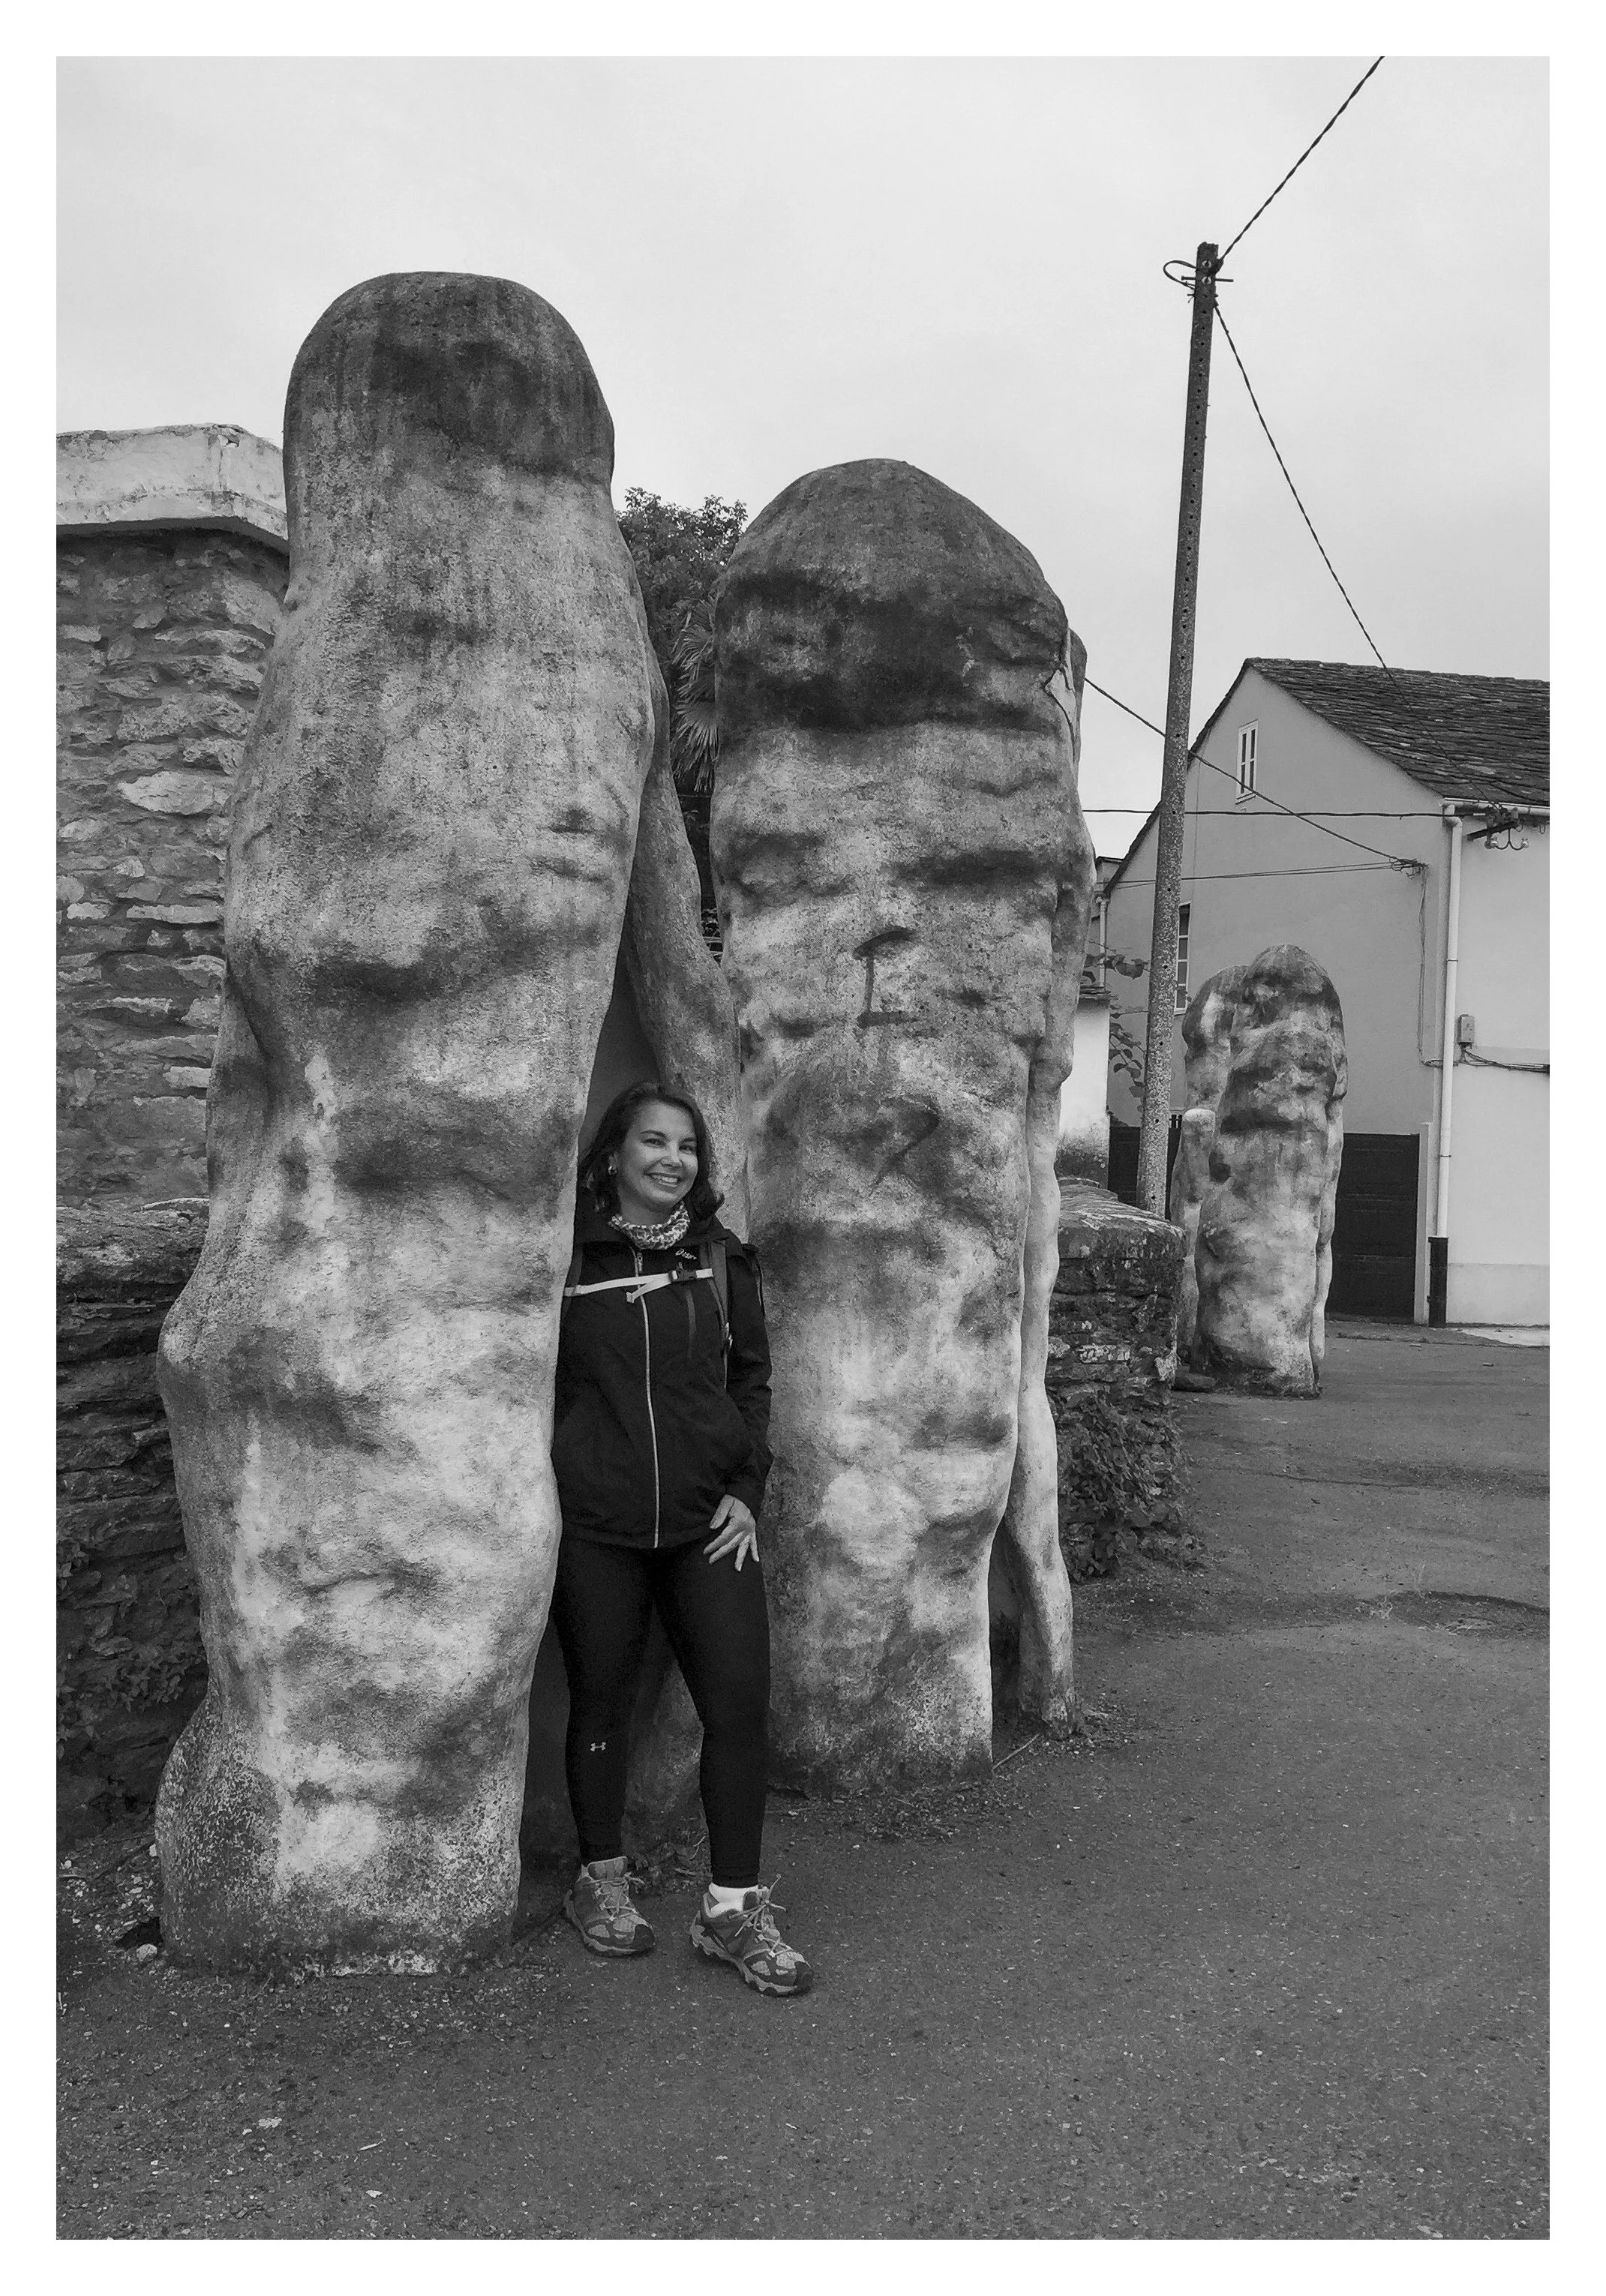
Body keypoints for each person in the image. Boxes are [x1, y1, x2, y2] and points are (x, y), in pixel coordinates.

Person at [550, 1078, 813, 1998]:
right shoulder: (566, 1255)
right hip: (597, 1523)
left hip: (708, 1524)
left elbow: (751, 1382)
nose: (672, 1159)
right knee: (599, 1703)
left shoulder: (719, 1257)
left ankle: (730, 1909)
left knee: (737, 1707)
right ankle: (599, 1882)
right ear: (614, 1152)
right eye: (654, 1141)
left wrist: (747, 1488)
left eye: (688, 1146)